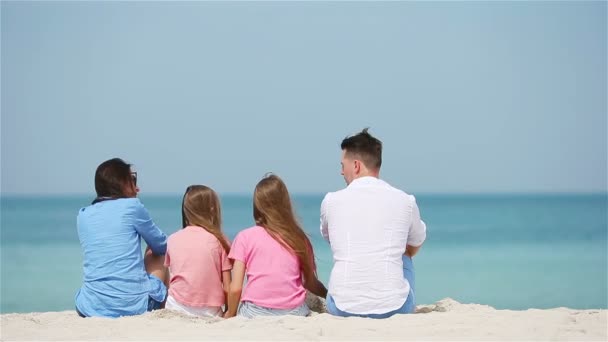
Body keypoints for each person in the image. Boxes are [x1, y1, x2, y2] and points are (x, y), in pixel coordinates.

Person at [320, 128, 427, 318]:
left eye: (342, 165)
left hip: (341, 307)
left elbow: (332, 240)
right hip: (395, 308)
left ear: (356, 166)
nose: (340, 171)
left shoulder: (331, 201)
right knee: (404, 254)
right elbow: (416, 244)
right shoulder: (405, 201)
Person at [75, 158, 169, 317]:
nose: (137, 187)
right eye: (132, 179)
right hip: (135, 307)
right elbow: (162, 245)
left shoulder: (83, 215)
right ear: (121, 183)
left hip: (90, 307)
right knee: (155, 253)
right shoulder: (132, 206)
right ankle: (166, 308)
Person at [224, 174, 327, 318]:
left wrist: (230, 313)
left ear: (257, 206)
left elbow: (235, 289)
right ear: (285, 204)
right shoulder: (298, 238)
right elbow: (310, 283)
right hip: (295, 312)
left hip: (255, 310)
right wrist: (328, 295)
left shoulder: (244, 237)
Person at [164, 185, 232, 317]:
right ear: (212, 210)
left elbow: (171, 277)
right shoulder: (219, 240)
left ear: (186, 210)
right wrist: (229, 311)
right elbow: (227, 288)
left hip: (175, 306)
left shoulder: (172, 239)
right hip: (208, 311)